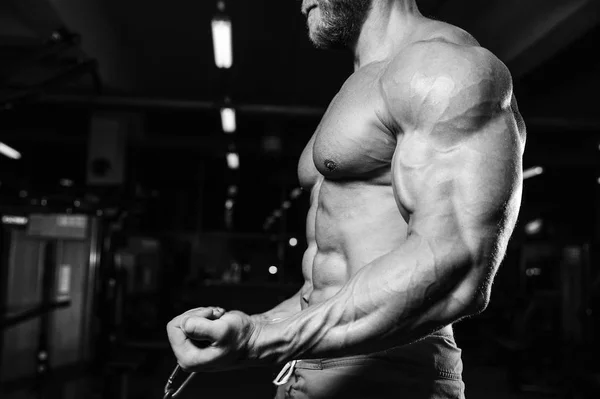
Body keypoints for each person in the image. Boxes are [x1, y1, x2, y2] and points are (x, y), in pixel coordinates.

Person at [166, 0, 526, 397]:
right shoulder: (362, 82)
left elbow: (455, 266)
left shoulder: (446, 69)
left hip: (392, 376)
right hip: (305, 370)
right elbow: (330, 284)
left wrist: (262, 341)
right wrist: (251, 327)